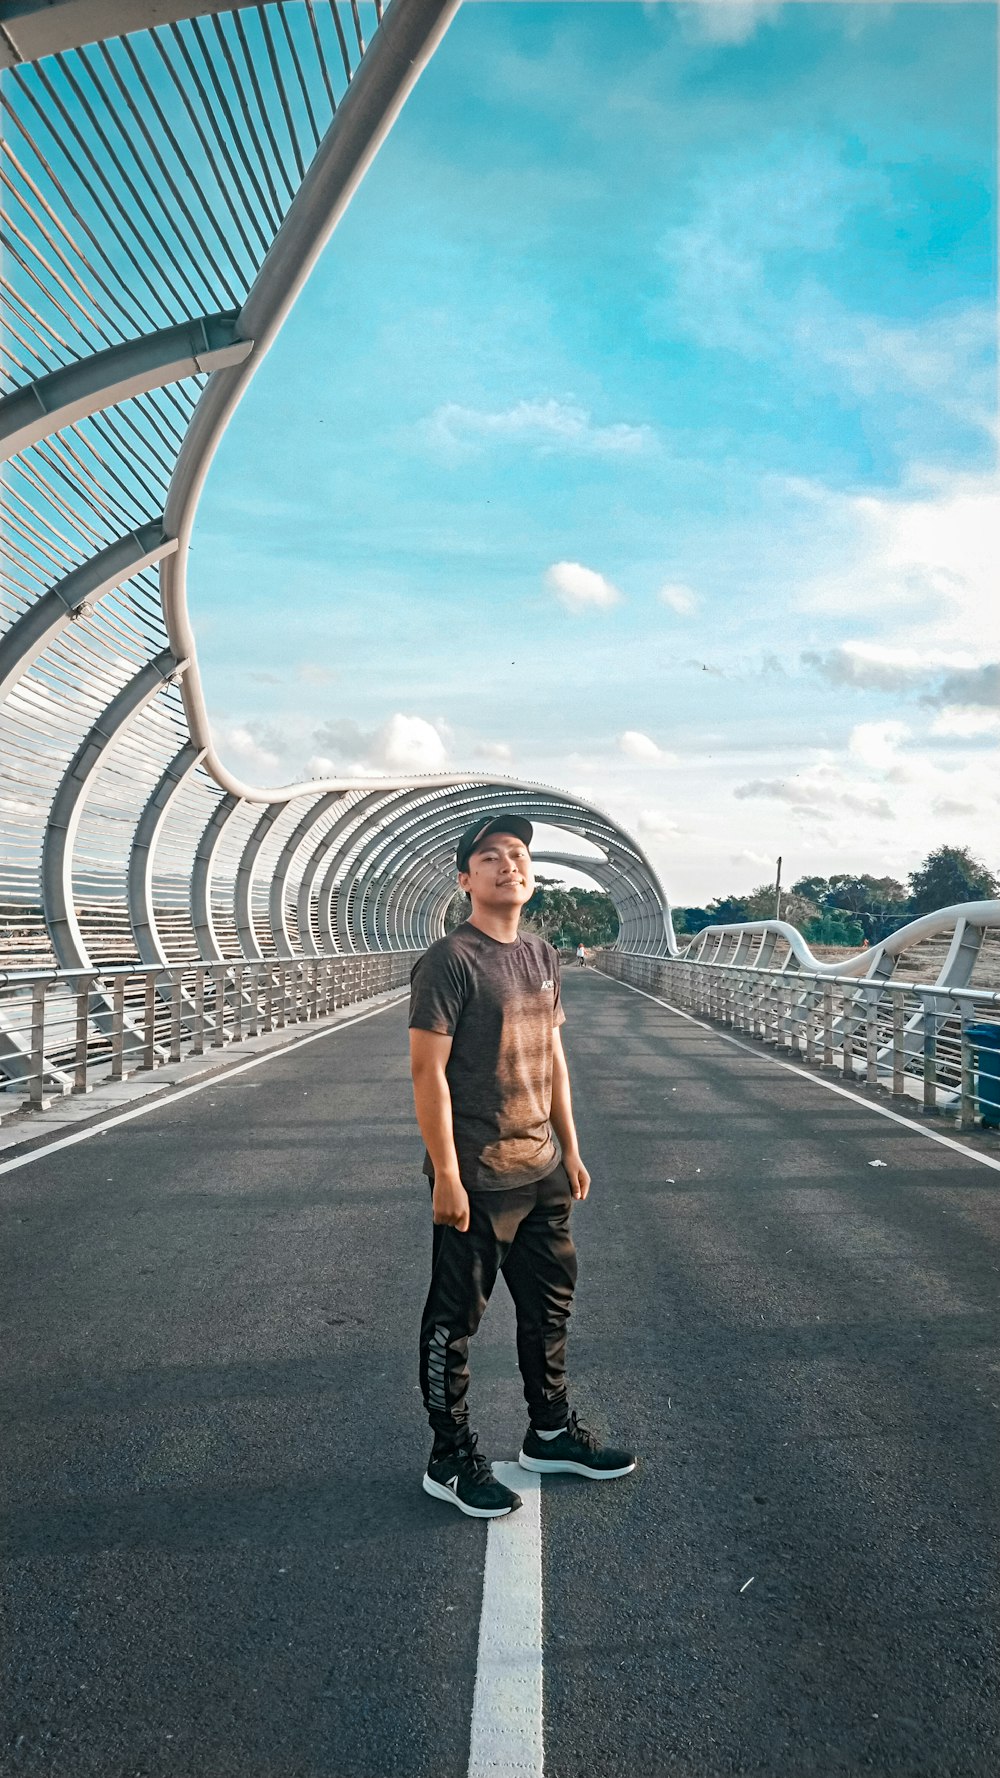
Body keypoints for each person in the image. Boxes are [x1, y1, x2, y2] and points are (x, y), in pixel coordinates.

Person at [408, 814, 636, 1519]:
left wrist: (571, 1147)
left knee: (550, 1308)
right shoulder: (450, 959)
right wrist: (446, 1172)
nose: (510, 864)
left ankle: (552, 1432)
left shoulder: (541, 955)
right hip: (478, 1174)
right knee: (456, 1320)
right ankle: (448, 1458)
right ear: (465, 880)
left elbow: (554, 1059)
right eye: (490, 857)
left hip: (540, 1168)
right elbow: (427, 1072)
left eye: (519, 854)